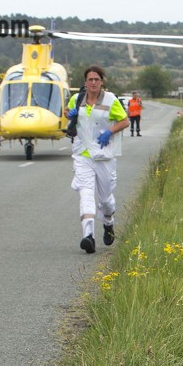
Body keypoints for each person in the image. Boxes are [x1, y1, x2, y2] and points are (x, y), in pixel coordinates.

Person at [69, 66, 129, 254]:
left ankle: (108, 222)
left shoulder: (111, 100)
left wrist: (109, 132)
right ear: (85, 82)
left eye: (96, 79)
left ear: (102, 82)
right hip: (82, 153)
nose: (93, 83)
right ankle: (89, 236)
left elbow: (125, 121)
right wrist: (70, 114)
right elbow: (68, 112)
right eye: (90, 80)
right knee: (86, 192)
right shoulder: (77, 99)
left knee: (105, 201)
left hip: (104, 156)